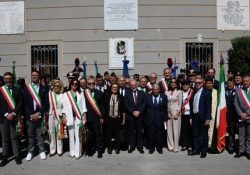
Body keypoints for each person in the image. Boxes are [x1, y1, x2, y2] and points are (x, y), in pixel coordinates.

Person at [23, 70, 49, 161]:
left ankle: (42, 150)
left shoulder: (44, 88)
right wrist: (31, 114)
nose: (34, 76)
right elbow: (25, 103)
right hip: (30, 116)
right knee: (30, 135)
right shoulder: (26, 88)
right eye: (33, 75)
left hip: (39, 115)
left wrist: (39, 113)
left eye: (36, 75)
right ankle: (30, 151)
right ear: (31, 76)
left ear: (39, 77)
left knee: (40, 134)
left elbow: (46, 103)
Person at [0, 72, 22, 166]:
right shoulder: (0, 90)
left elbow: (20, 103)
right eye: (6, 78)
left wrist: (13, 113)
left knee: (14, 138)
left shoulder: (17, 90)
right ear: (4, 80)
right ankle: (5, 157)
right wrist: (5, 114)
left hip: (14, 117)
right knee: (5, 139)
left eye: (10, 78)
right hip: (3, 118)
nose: (8, 80)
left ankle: (17, 156)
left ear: (12, 79)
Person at [62, 78, 87, 159]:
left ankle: (78, 152)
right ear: (70, 84)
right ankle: (72, 152)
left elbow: (83, 107)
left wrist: (84, 117)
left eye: (76, 84)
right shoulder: (66, 94)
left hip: (78, 117)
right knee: (71, 135)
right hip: (70, 117)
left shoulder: (81, 93)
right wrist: (64, 117)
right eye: (73, 83)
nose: (74, 85)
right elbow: (64, 107)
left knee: (78, 134)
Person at [189, 77, 212, 158]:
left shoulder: (207, 92)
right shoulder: (194, 92)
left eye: (199, 83)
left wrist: (208, 119)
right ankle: (196, 150)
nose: (197, 84)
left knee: (204, 135)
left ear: (203, 83)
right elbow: (192, 106)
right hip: (195, 116)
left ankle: (204, 151)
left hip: (203, 117)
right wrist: (191, 117)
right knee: (195, 134)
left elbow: (209, 107)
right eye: (196, 83)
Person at [84, 77, 105, 158]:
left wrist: (102, 117)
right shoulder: (84, 94)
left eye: (93, 83)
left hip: (97, 117)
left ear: (95, 83)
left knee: (98, 134)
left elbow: (103, 107)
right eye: (90, 84)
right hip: (88, 118)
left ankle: (99, 150)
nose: (92, 85)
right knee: (90, 135)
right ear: (87, 84)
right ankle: (91, 149)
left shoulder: (100, 93)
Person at [145, 84, 168, 154]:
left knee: (160, 135)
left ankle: (159, 148)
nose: (156, 91)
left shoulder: (164, 96)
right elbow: (145, 108)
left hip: (160, 119)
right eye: (154, 89)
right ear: (152, 90)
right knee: (150, 135)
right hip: (150, 119)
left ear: (159, 89)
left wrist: (165, 119)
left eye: (157, 89)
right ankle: (151, 148)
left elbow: (165, 108)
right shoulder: (147, 96)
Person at [125, 80, 146, 154]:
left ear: (137, 85)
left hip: (140, 116)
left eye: (135, 85)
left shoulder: (142, 93)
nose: (133, 86)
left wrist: (139, 111)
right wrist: (133, 111)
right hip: (131, 116)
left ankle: (140, 147)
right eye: (132, 85)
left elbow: (144, 103)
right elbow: (126, 104)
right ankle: (132, 146)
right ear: (130, 86)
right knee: (131, 132)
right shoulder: (127, 93)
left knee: (140, 132)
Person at [105, 83, 125, 154]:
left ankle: (117, 147)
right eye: (113, 87)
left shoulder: (121, 97)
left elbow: (123, 109)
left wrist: (123, 119)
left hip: (118, 118)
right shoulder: (107, 96)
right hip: (109, 118)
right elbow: (105, 109)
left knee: (117, 134)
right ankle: (109, 147)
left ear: (118, 88)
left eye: (116, 87)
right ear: (111, 88)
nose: (115, 88)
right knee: (109, 133)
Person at [234, 75, 250, 160]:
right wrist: (241, 114)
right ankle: (241, 150)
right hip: (241, 117)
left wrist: (246, 113)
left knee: (249, 135)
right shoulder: (238, 91)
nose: (245, 82)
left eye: (247, 81)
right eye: (244, 81)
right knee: (241, 135)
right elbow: (235, 103)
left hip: (249, 116)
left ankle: (248, 151)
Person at [48, 80, 65, 157]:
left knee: (59, 132)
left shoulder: (63, 95)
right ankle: (52, 150)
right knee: (51, 132)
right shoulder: (50, 94)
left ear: (60, 87)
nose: (56, 87)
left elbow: (65, 107)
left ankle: (59, 150)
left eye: (57, 86)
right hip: (51, 115)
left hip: (59, 116)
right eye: (54, 85)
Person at [166, 78, 182, 152]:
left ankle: (176, 147)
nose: (173, 83)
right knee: (169, 130)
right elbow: (165, 103)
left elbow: (180, 103)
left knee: (176, 130)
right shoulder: (167, 92)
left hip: (176, 113)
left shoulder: (179, 92)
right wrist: (167, 112)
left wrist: (178, 113)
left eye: (174, 82)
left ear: (176, 83)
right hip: (169, 113)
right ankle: (170, 146)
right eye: (171, 82)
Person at [179, 79, 193, 152]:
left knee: (190, 130)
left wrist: (191, 116)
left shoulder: (192, 92)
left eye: (186, 84)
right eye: (183, 84)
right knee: (183, 130)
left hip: (190, 114)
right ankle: (184, 145)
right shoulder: (180, 92)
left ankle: (190, 145)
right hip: (182, 114)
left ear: (189, 85)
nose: (185, 86)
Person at [205, 78, 217, 151]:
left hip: (214, 114)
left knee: (212, 130)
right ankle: (205, 145)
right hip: (205, 115)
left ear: (213, 84)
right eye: (207, 83)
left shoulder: (217, 92)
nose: (209, 85)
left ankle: (211, 146)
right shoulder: (203, 92)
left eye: (210, 83)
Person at [225, 78, 237, 154]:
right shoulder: (224, 92)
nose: (230, 85)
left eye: (231, 83)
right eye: (229, 83)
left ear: (234, 84)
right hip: (224, 115)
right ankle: (223, 144)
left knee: (232, 132)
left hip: (232, 115)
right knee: (224, 130)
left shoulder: (237, 92)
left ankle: (231, 146)